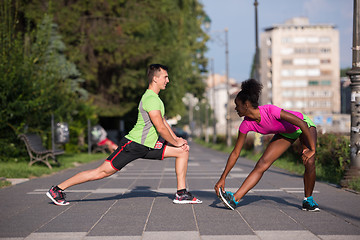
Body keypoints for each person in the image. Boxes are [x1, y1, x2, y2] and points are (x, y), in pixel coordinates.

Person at [46, 64, 202, 206]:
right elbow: (160, 128)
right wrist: (174, 142)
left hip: (148, 145)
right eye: (165, 77)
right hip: (133, 145)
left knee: (182, 151)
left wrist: (177, 140)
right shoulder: (150, 99)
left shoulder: (156, 99)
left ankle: (181, 193)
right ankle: (57, 189)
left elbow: (163, 122)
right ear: (155, 78)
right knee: (101, 172)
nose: (168, 80)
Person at [215, 79, 319, 212]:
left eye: (237, 105)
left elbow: (301, 124)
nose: (235, 108)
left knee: (309, 161)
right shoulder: (246, 124)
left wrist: (312, 150)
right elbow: (235, 153)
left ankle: (308, 201)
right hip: (285, 133)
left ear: (246, 105)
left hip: (304, 127)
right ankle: (235, 199)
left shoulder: (270, 110)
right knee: (261, 164)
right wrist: (222, 178)